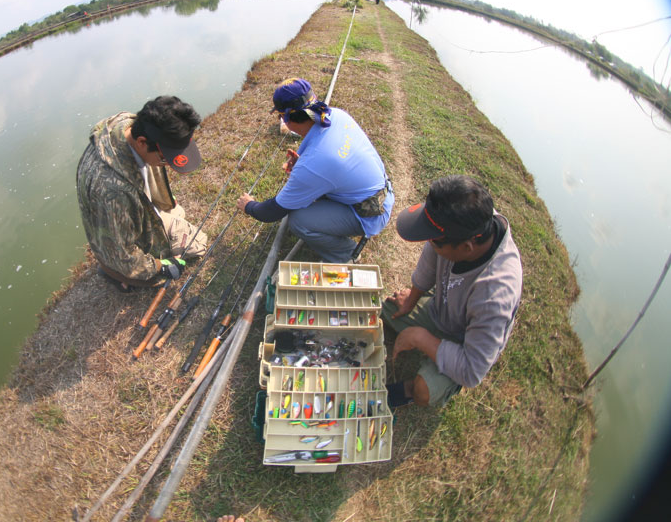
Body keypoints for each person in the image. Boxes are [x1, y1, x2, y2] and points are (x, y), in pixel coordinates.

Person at [383, 175, 523, 408]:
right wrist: (412, 299)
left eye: (435, 241)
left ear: (467, 248)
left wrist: (420, 338)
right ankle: (429, 331)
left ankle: (414, 388)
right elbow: (431, 256)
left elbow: (472, 371)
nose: (429, 243)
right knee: (389, 309)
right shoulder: (467, 219)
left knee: (423, 391)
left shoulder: (495, 296)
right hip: (443, 309)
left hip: (463, 343)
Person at [236, 78, 394, 262]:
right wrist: (305, 166)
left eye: (280, 116)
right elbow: (330, 159)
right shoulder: (336, 115)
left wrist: (249, 206)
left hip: (371, 214)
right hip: (383, 192)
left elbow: (273, 211)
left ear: (286, 119)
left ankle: (346, 254)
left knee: (299, 220)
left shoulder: (314, 165)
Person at [76, 96, 208, 292]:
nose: (168, 165)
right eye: (165, 159)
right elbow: (123, 255)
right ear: (141, 142)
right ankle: (115, 274)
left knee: (178, 214)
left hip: (133, 218)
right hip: (120, 250)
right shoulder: (114, 192)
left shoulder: (127, 123)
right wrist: (161, 266)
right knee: (198, 244)